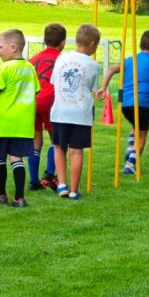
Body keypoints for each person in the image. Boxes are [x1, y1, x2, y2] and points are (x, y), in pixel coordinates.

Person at [0, 29, 40, 208]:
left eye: (0, 47)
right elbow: (34, 96)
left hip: (4, 123)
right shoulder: (30, 69)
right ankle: (19, 198)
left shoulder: (3, 68)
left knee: (0, 158)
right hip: (23, 125)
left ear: (13, 48)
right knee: (17, 158)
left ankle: (1, 195)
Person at [99, 30, 149, 174]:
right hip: (141, 103)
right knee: (142, 135)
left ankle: (130, 149)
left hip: (125, 104)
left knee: (136, 126)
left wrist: (103, 87)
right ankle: (130, 164)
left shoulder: (129, 60)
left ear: (140, 45)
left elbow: (111, 69)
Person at [50, 24, 102, 199]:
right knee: (76, 151)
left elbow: (54, 81)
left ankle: (61, 184)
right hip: (81, 115)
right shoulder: (93, 65)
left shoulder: (61, 58)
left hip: (60, 112)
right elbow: (93, 88)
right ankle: (73, 190)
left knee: (59, 147)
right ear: (92, 44)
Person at [29, 22, 67, 190]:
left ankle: (33, 181)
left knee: (36, 140)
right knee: (56, 139)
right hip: (51, 100)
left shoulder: (33, 59)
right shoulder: (63, 60)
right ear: (63, 42)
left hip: (33, 101)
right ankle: (49, 174)